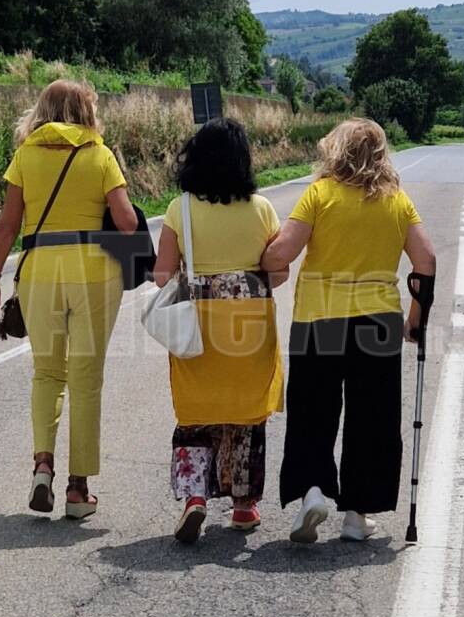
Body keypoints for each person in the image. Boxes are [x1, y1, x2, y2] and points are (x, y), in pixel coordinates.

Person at [261, 118, 436, 544]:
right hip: (377, 322)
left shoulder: (319, 194)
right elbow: (426, 260)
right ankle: (358, 515)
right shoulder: (397, 201)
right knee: (372, 419)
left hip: (319, 319)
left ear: (335, 150)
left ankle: (314, 492)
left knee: (313, 414)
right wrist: (415, 319)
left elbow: (281, 253)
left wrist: (269, 256)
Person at [0, 80, 138, 519]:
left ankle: (42, 466)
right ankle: (77, 490)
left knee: (47, 374)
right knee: (86, 379)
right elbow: (127, 223)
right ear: (85, 110)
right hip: (93, 274)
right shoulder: (100, 154)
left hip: (40, 273)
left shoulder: (25, 155)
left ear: (43, 109)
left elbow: (7, 227)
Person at [153, 118, 286, 544]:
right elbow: (278, 273)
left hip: (199, 324)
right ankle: (244, 506)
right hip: (249, 322)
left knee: (197, 412)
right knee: (246, 413)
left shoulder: (181, 209)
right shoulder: (262, 209)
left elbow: (161, 276)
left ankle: (195, 496)